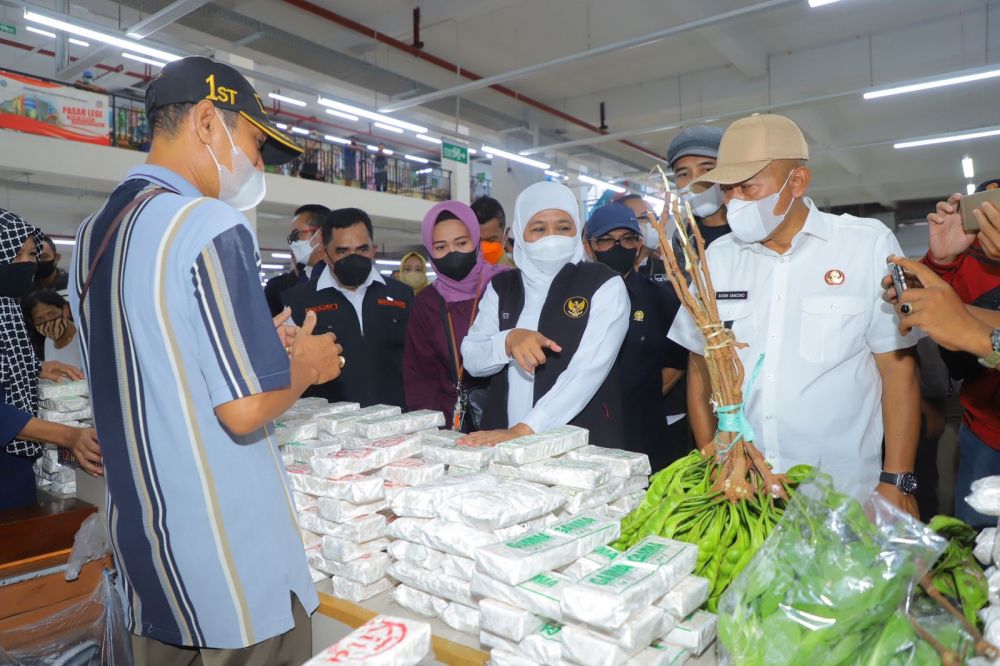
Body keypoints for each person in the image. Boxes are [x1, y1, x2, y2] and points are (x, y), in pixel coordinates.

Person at [69, 56, 343, 663]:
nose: (254, 162)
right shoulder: (206, 223)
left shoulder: (93, 235)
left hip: (145, 548)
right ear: (205, 121)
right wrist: (306, 368)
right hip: (227, 562)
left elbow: (157, 355)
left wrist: (256, 344)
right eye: (252, 141)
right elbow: (244, 412)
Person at [669, 113, 921, 515]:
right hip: (745, 488)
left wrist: (897, 479)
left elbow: (898, 370)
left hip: (843, 492)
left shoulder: (866, 245)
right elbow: (700, 370)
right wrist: (711, 459)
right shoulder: (716, 259)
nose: (733, 202)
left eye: (747, 187)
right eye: (727, 190)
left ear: (797, 183)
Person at [460, 181, 630, 447]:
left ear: (577, 230)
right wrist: (507, 341)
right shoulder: (502, 288)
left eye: (563, 227)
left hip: (580, 444)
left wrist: (526, 429)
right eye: (539, 228)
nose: (552, 237)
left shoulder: (604, 284)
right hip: (502, 440)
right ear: (518, 232)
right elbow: (472, 357)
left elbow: (587, 370)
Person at [907, 179, 1000, 526]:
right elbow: (954, 327)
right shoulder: (975, 253)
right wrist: (941, 263)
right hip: (985, 433)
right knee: (979, 555)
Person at [1, 210, 99, 510]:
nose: (33, 264)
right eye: (28, 254)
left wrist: (35, 367)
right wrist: (69, 436)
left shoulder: (6, 306)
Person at [583, 203, 689, 470]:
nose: (617, 247)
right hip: (587, 428)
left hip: (644, 431)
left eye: (627, 239)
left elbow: (676, 363)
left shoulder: (661, 299)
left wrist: (631, 402)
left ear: (639, 245)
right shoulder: (576, 300)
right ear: (589, 246)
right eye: (606, 240)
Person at [283, 207, 412, 409]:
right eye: (342, 251)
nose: (354, 258)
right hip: (329, 429)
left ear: (374, 249)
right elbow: (286, 370)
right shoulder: (298, 302)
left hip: (395, 423)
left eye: (362, 249)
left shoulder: (403, 296)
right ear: (325, 254)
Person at [403, 201, 509, 429]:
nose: (452, 253)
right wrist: (434, 432)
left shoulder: (506, 285)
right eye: (441, 247)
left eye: (461, 243)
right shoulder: (427, 303)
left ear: (476, 240)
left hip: (513, 418)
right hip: (452, 423)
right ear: (430, 252)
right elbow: (421, 376)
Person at [265, 204, 330, 316]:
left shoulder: (342, 281)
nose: (292, 243)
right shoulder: (276, 289)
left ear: (320, 235)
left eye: (296, 235)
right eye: (291, 237)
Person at [22, 289, 82, 367]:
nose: (48, 322)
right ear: (32, 322)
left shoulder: (84, 339)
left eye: (51, 313)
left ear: (65, 310)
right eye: (39, 319)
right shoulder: (48, 341)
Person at [471, 196, 515, 267]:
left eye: (491, 240)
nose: (483, 248)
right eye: (477, 241)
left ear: (505, 235)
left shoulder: (518, 275)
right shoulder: (458, 275)